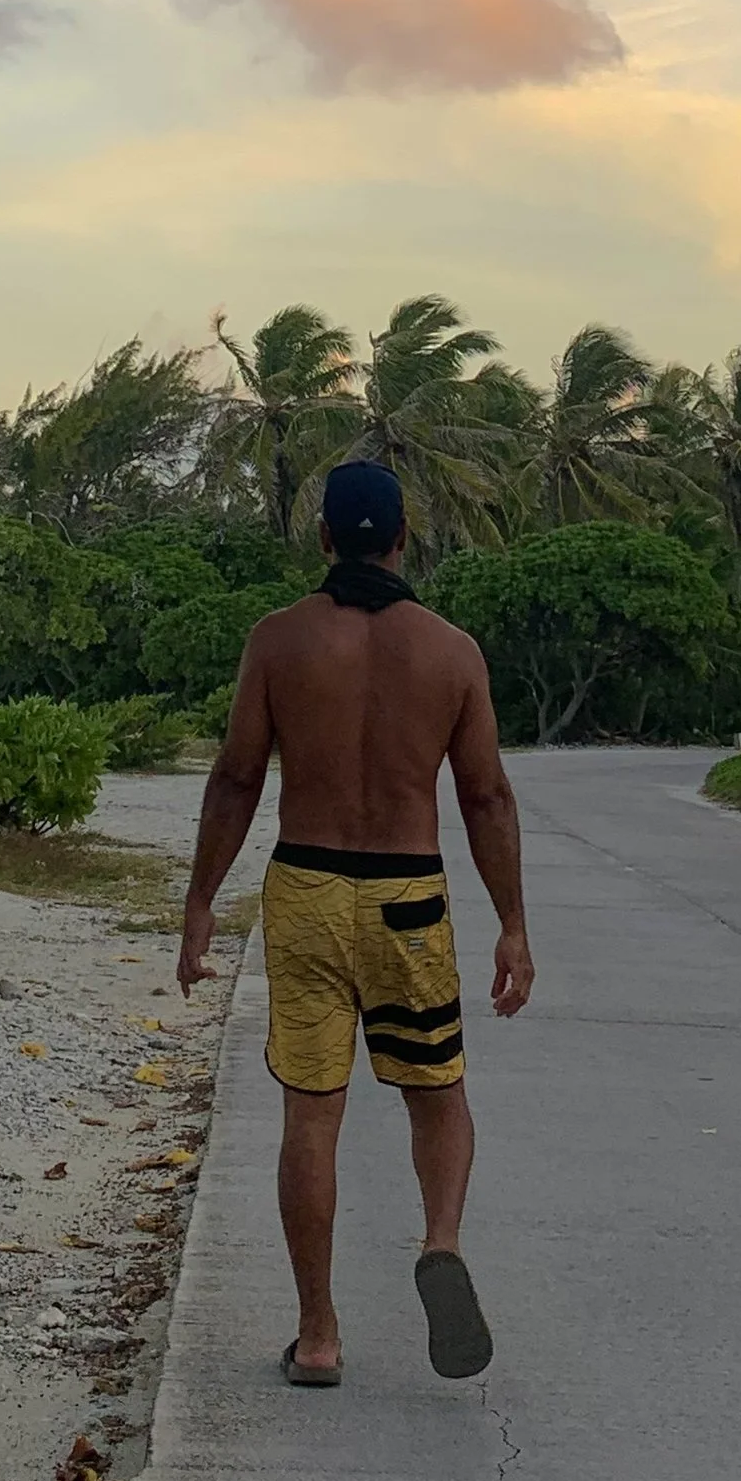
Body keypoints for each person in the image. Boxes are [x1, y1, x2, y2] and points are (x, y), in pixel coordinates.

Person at [177, 458, 534, 1390]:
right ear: (405, 537)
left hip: (308, 887)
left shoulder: (279, 641)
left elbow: (237, 777)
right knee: (436, 1086)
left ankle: (321, 1333)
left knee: (312, 1110)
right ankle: (443, 1239)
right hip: (409, 893)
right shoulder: (453, 653)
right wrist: (512, 926)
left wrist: (200, 902)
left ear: (326, 538)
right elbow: (487, 795)